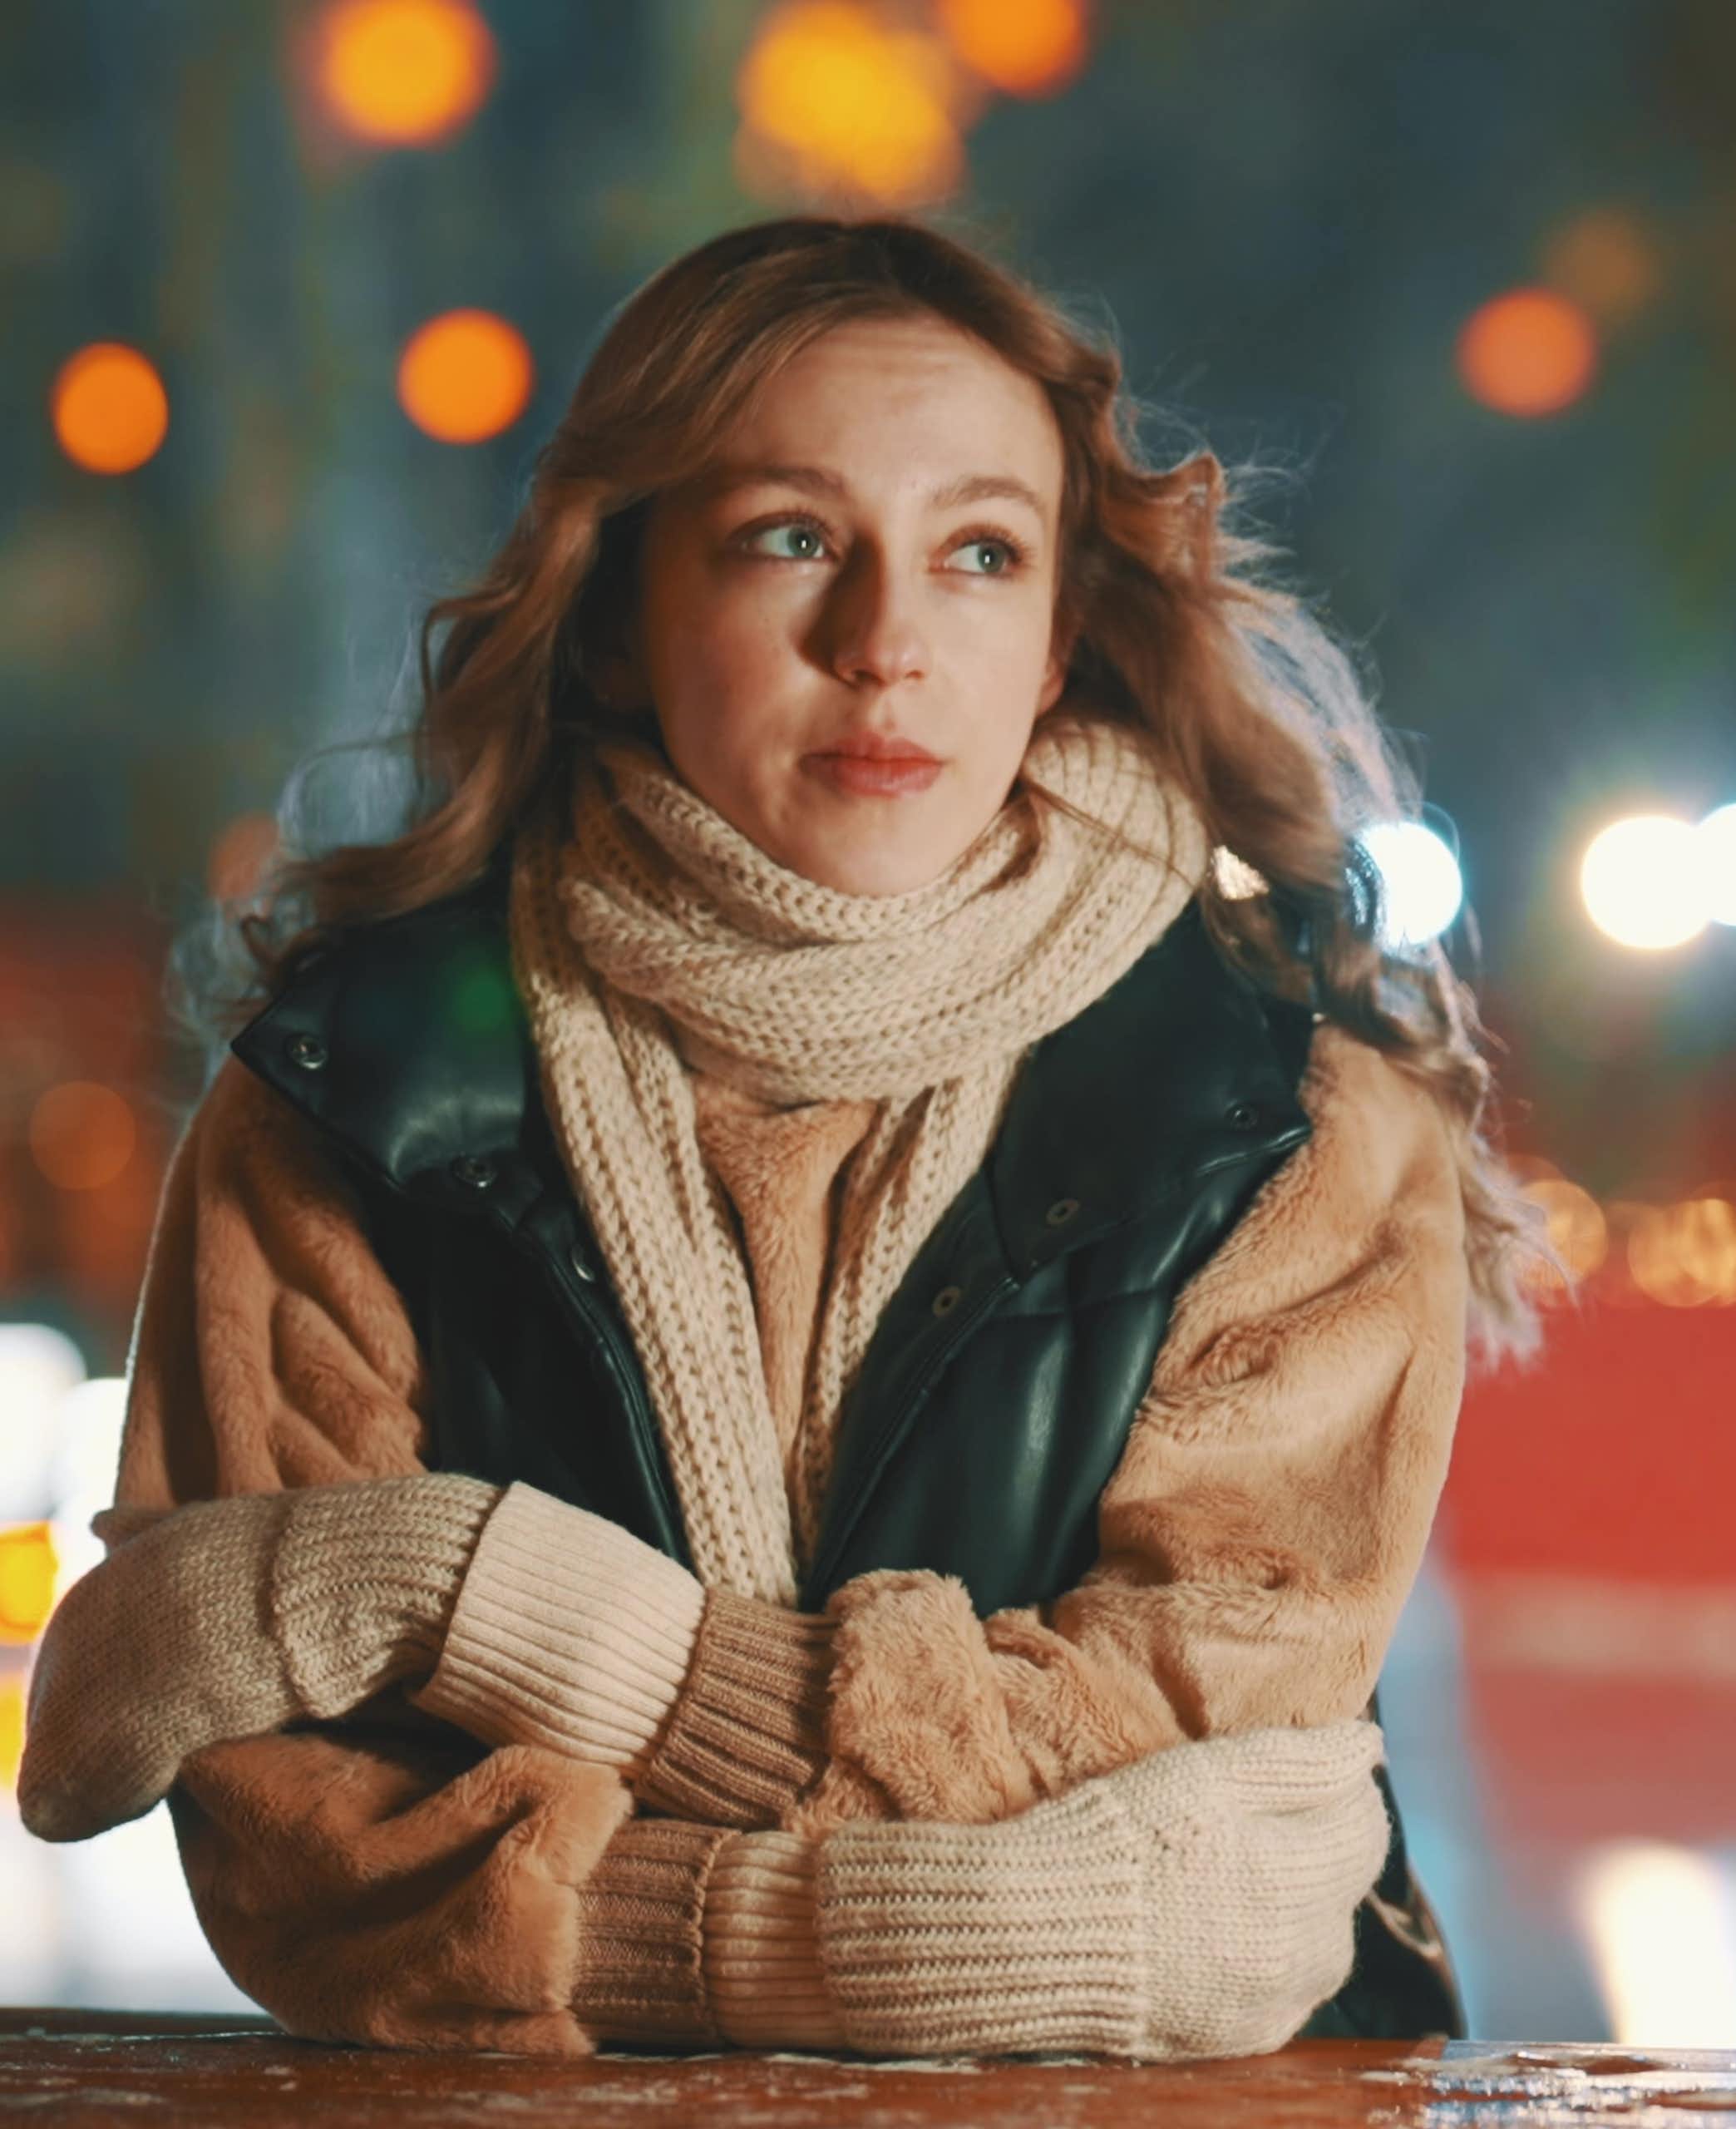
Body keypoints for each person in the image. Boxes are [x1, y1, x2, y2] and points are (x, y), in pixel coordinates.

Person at [17, 214, 1554, 2060]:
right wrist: (910, 1933)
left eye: (977, 552)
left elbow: (1186, 1757)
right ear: (613, 606)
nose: (885, 642)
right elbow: (299, 1847)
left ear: (1060, 636)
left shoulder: (1279, 1125)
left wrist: (473, 1596)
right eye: (790, 538)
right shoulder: (353, 1100)